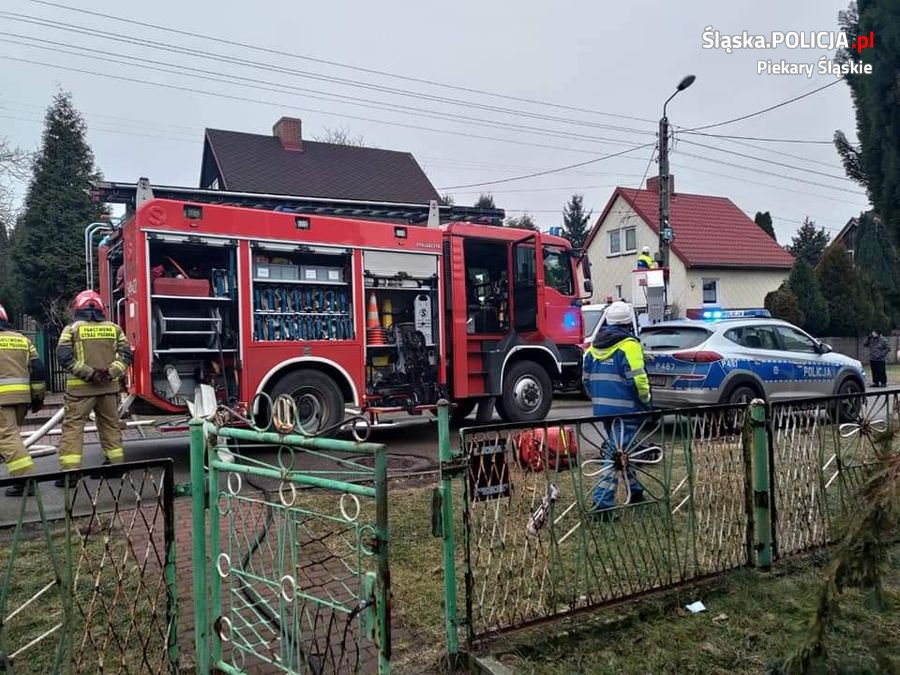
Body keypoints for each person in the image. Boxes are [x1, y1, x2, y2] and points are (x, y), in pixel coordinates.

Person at [56, 290, 132, 485]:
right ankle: (115, 466)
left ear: (78, 307)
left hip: (80, 392)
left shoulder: (71, 329)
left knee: (73, 429)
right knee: (110, 426)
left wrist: (89, 374)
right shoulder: (114, 329)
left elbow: (64, 357)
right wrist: (109, 373)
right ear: (100, 308)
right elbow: (127, 355)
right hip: (108, 390)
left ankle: (70, 474)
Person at [582, 301, 652, 513]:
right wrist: (646, 400)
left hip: (603, 410)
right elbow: (638, 380)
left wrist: (599, 399)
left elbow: (585, 380)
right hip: (627, 410)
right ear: (629, 322)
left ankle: (636, 491)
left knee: (621, 449)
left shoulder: (593, 348)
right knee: (614, 454)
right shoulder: (629, 345)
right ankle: (602, 503)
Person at [0, 303, 46, 496]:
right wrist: (38, 398)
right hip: (21, 399)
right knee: (11, 437)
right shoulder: (22, 340)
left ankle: (26, 481)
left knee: (7, 438)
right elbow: (38, 369)